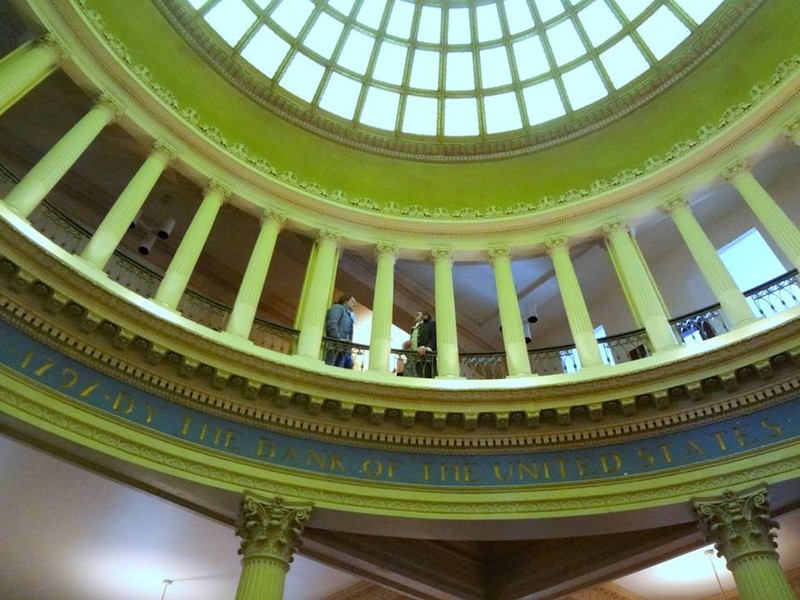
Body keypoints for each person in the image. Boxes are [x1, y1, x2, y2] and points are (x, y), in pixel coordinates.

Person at [403, 310, 437, 378]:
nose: (415, 316)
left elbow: (434, 337)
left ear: (425, 316)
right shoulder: (414, 328)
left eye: (417, 314)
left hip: (426, 359)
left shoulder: (431, 324)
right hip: (413, 359)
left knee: (426, 379)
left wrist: (427, 348)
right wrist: (407, 346)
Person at [324, 294, 356, 368]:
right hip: (334, 347)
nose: (355, 304)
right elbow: (332, 323)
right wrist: (338, 339)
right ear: (345, 301)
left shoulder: (349, 315)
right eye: (352, 301)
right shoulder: (337, 308)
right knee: (330, 368)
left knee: (348, 366)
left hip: (344, 350)